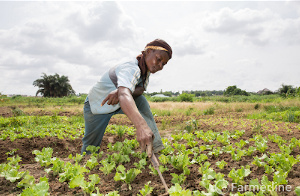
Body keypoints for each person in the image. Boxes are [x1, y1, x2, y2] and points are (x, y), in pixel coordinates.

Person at [81, 39, 172, 158]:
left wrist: (119, 91)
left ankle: (154, 148)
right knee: (90, 148)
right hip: (98, 105)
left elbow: (140, 90)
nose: (160, 66)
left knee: (141, 101)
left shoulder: (145, 70)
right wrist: (141, 126)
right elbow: (124, 95)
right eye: (159, 59)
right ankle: (86, 164)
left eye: (163, 64)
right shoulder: (131, 67)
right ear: (148, 52)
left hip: (118, 103)